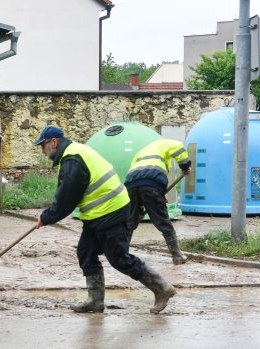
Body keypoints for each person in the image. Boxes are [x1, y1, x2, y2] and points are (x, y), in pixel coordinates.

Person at [34, 125, 176, 314]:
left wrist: (46, 217)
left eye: (43, 146)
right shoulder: (74, 153)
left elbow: (67, 198)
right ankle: (95, 301)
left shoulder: (72, 159)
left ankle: (162, 288)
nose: (42, 151)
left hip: (111, 210)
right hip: (98, 213)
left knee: (119, 258)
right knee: (86, 253)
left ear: (54, 142)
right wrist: (48, 216)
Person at [125, 139, 192, 265]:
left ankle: (121, 255)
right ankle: (177, 256)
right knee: (163, 221)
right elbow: (179, 149)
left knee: (130, 221)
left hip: (131, 183)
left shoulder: (142, 153)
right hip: (152, 182)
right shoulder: (167, 143)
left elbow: (140, 180)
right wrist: (185, 166)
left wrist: (156, 196)